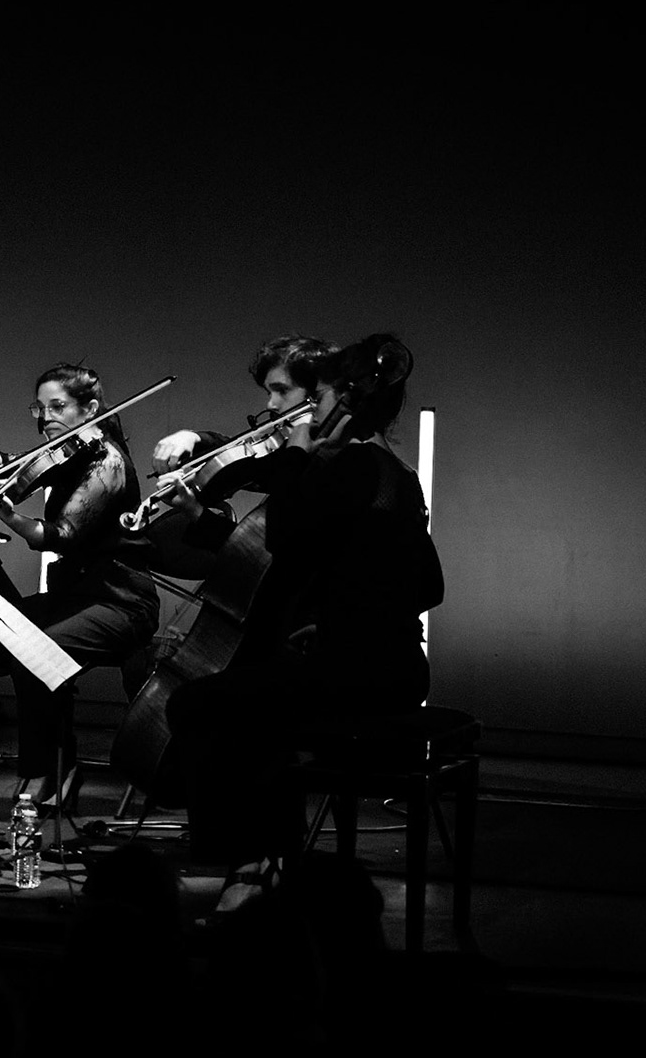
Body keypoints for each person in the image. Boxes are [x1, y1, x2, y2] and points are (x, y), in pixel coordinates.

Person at [158, 333, 444, 903]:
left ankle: (248, 866)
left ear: (344, 402)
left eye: (322, 396)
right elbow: (429, 586)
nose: (311, 408)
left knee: (198, 704)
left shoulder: (348, 467)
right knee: (254, 698)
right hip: (398, 669)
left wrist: (295, 453)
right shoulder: (396, 472)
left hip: (356, 677)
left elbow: (285, 536)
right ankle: (269, 861)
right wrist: (341, 620)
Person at [0, 363, 160, 805]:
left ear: (90, 409)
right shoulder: (70, 453)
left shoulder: (108, 462)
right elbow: (21, 465)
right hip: (71, 596)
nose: (46, 418)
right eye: (40, 408)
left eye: (57, 406)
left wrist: (10, 516)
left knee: (33, 652)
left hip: (120, 602)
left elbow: (58, 536)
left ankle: (55, 770)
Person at [150, 333, 336, 475]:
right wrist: (193, 438)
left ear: (318, 391)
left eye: (282, 390)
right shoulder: (288, 452)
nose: (271, 404)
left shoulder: (338, 461)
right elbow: (239, 455)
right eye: (269, 393)